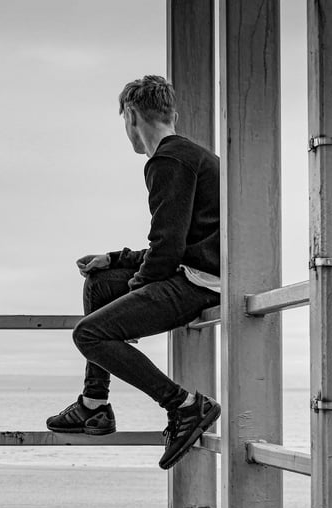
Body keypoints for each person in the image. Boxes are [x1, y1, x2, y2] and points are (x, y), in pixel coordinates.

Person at [46, 75, 220, 470]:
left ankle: (185, 405)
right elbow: (177, 241)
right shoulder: (188, 155)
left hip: (200, 283)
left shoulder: (167, 160)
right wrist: (115, 259)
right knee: (99, 283)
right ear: (171, 114)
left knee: (89, 333)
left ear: (131, 116)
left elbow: (168, 249)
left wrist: (136, 292)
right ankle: (95, 404)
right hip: (198, 272)